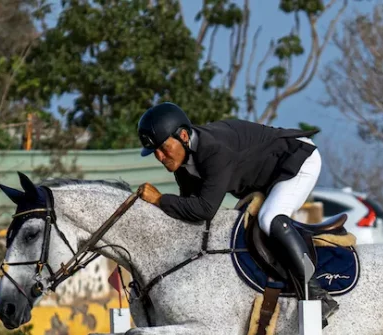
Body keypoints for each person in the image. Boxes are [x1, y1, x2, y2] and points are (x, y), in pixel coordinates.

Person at [136, 102, 338, 322]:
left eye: (163, 148)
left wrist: (159, 199)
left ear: (183, 135)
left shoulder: (213, 150)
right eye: (154, 151)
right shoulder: (185, 163)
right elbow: (188, 214)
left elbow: (204, 209)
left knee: (269, 218)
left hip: (297, 160)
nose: (159, 156)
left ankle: (317, 295)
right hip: (268, 176)